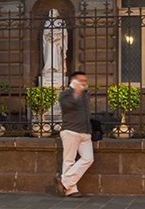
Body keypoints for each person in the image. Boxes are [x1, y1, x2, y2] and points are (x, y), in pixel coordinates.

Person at [54, 70, 94, 198]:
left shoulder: (84, 95)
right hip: (71, 131)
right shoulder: (66, 94)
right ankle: (71, 190)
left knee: (88, 159)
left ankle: (65, 181)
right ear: (74, 81)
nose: (84, 83)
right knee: (69, 161)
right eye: (81, 80)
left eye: (85, 81)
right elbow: (66, 106)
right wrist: (75, 94)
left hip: (85, 133)